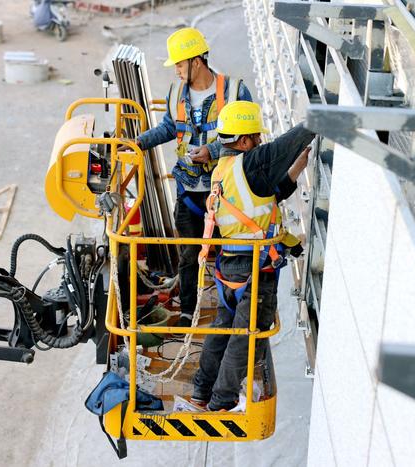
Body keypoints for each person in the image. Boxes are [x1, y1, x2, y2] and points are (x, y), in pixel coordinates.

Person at [191, 101, 314, 411]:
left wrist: (297, 168)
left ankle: (201, 390)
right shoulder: (251, 162)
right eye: (256, 138)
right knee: (245, 337)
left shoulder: (225, 170)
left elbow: (262, 201)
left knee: (224, 328)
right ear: (244, 141)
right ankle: (222, 400)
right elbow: (289, 142)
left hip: (230, 265)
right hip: (255, 268)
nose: (260, 143)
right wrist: (322, 118)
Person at [136, 27, 253, 327]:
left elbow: (249, 138)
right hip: (188, 189)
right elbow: (167, 128)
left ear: (196, 62)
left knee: (230, 253)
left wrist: (213, 151)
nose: (176, 70)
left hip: (224, 192)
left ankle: (230, 313)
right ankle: (188, 310)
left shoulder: (235, 91)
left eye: (179, 63)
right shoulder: (176, 93)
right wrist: (136, 143)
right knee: (188, 254)